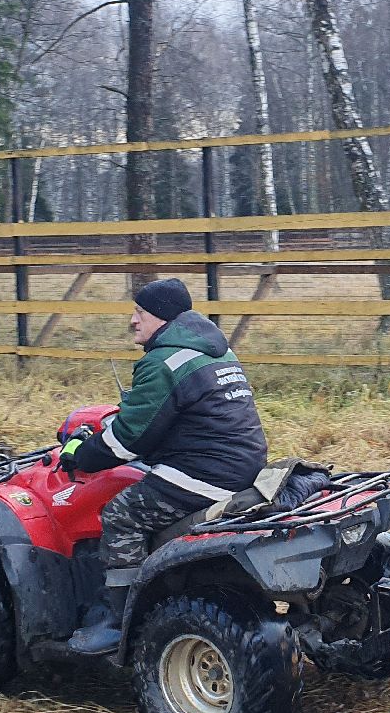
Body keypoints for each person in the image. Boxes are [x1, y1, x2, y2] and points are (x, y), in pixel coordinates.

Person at [57, 277, 267, 654]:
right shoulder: (214, 349)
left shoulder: (163, 361)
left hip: (207, 472)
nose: (133, 321)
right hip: (243, 462)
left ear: (162, 316)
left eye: (140, 313)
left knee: (121, 514)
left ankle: (117, 622)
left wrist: (81, 455)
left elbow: (127, 442)